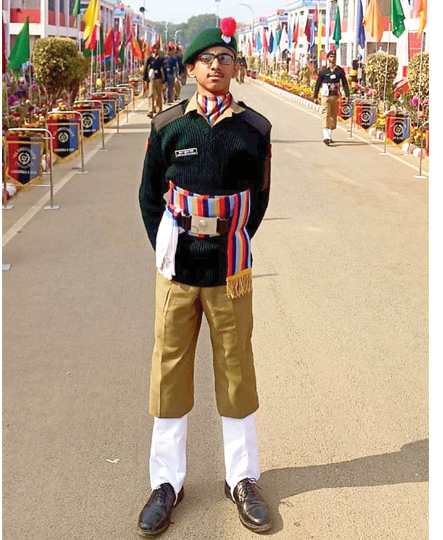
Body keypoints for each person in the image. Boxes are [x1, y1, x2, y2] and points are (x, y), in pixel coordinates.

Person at [137, 16, 274, 538]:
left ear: (236, 67)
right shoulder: (168, 125)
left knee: (236, 367)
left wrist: (226, 235)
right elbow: (151, 197)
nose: (218, 66)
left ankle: (241, 478)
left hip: (230, 268)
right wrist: (169, 245)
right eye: (207, 59)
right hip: (179, 269)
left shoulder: (254, 129)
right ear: (191, 67)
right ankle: (166, 483)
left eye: (226, 58)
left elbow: (258, 201)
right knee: (169, 368)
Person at [312, 50, 351, 146]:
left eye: (334, 57)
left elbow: (344, 83)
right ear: (328, 58)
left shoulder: (339, 70)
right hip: (326, 96)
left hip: (335, 95)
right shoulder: (323, 71)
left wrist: (347, 95)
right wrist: (315, 96)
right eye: (330, 57)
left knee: (333, 115)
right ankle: (326, 137)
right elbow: (318, 84)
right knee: (326, 114)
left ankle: (330, 135)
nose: (332, 59)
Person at [143, 45, 167, 117]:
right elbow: (146, 68)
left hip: (159, 78)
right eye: (155, 49)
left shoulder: (161, 59)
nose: (156, 50)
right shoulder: (150, 58)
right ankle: (150, 110)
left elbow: (164, 69)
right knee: (151, 94)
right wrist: (145, 78)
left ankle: (159, 110)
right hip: (151, 79)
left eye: (157, 49)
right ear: (153, 49)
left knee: (158, 95)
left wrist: (164, 80)